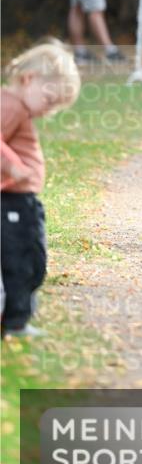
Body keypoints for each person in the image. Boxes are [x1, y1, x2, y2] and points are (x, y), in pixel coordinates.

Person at [1, 40, 80, 338]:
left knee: (30, 258)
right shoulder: (10, 105)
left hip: (21, 201)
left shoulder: (16, 107)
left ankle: (17, 317)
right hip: (13, 202)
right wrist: (13, 167)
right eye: (49, 101)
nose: (49, 111)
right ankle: (15, 321)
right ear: (28, 79)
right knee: (22, 259)